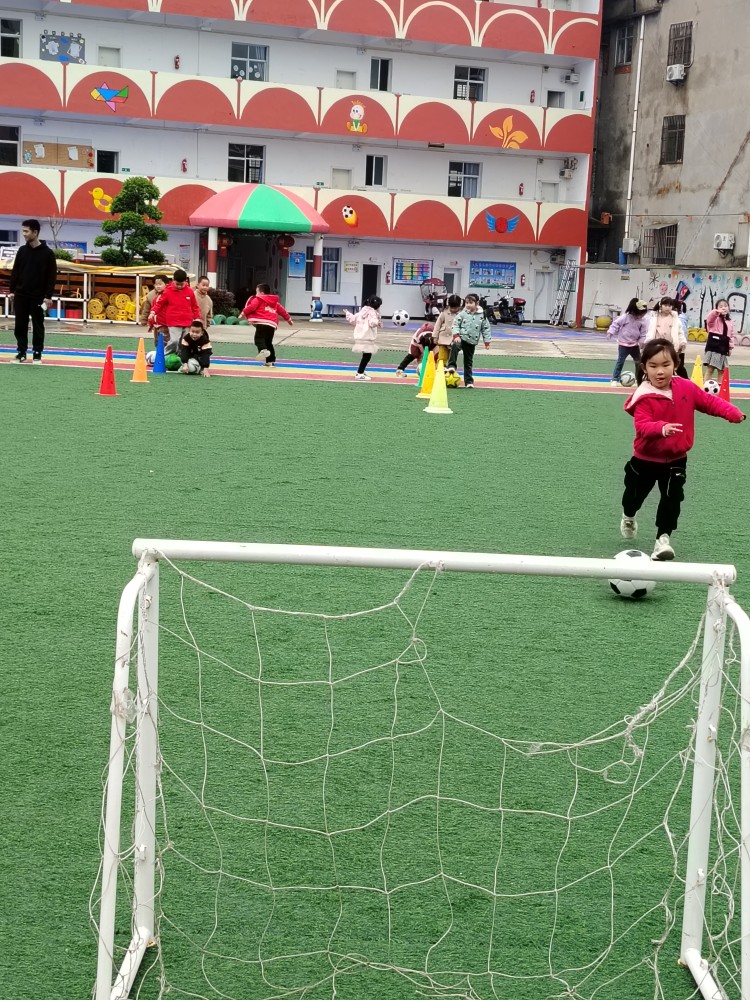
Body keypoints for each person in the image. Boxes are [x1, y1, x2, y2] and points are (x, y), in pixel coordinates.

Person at [620, 338, 745, 561]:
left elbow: (709, 402)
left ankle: (662, 540)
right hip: (645, 459)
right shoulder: (643, 396)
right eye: (653, 366)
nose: (660, 371)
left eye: (665, 365)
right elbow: (642, 425)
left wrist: (732, 413)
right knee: (633, 497)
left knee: (672, 499)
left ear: (675, 365)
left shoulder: (686, 387)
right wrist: (661, 428)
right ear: (644, 368)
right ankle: (629, 516)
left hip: (676, 459)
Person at [9, 218, 57, 363]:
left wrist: (48, 296)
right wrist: (12, 290)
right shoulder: (22, 251)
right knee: (20, 325)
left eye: (26, 231)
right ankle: (21, 352)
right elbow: (15, 271)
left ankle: (37, 352)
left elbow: (51, 276)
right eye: (23, 231)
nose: (24, 234)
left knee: (38, 325)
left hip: (38, 296)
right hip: (21, 295)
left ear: (35, 232)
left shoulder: (48, 254)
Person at [241, 283, 293, 366]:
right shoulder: (275, 302)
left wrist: (243, 313)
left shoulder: (258, 299)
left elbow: (252, 307)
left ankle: (263, 350)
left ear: (261, 293)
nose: (256, 294)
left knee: (259, 338)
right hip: (272, 325)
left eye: (257, 292)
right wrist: (289, 319)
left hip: (262, 322)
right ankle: (270, 361)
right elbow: (282, 311)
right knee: (268, 342)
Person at [446, 293, 492, 388]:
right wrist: (456, 335)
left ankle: (469, 381)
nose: (468, 305)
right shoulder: (462, 314)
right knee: (455, 346)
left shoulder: (482, 315)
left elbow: (486, 328)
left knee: (468, 361)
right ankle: (451, 366)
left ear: (477, 303)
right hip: (461, 338)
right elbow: (455, 324)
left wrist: (487, 342)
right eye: (466, 303)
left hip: (472, 341)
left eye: (470, 303)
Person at [152, 268, 200, 354]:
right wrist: (153, 312)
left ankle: (181, 356)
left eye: (182, 284)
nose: (179, 286)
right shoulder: (168, 291)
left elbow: (194, 306)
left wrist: (197, 318)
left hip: (187, 321)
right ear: (173, 280)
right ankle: (164, 354)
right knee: (174, 340)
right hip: (173, 321)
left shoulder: (189, 291)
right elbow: (159, 304)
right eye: (177, 284)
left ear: (185, 281)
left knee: (184, 342)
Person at [607, 298, 648, 386]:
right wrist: (611, 332)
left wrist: (642, 342)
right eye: (640, 313)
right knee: (620, 361)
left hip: (634, 345)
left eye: (643, 313)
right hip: (623, 344)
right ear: (635, 311)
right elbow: (616, 324)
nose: (641, 315)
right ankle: (614, 379)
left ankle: (639, 378)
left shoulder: (643, 320)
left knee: (638, 362)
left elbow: (643, 333)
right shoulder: (625, 317)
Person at [644, 297, 687, 380]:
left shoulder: (675, 318)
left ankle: (684, 383)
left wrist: (682, 342)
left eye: (670, 306)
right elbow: (649, 331)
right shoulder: (654, 317)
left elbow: (680, 332)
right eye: (666, 305)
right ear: (661, 305)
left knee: (676, 366)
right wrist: (648, 342)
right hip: (656, 346)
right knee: (653, 364)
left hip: (671, 346)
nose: (668, 308)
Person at [345, 296, 382, 380]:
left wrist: (347, 313)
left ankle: (361, 370)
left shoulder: (363, 311)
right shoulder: (372, 312)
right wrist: (377, 322)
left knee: (366, 355)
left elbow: (353, 319)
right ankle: (360, 373)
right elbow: (372, 322)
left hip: (360, 336)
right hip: (367, 337)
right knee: (367, 355)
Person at [704, 299, 735, 382]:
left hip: (723, 349)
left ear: (728, 308)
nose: (723, 308)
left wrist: (730, 348)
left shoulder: (729, 322)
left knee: (722, 371)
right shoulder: (715, 319)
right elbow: (709, 319)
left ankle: (720, 386)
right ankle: (705, 386)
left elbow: (731, 335)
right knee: (710, 369)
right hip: (714, 348)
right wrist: (716, 312)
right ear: (717, 308)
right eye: (720, 306)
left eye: (725, 306)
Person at [432, 294, 463, 365]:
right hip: (443, 338)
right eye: (452, 307)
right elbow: (437, 325)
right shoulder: (444, 312)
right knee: (442, 358)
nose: (453, 309)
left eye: (455, 308)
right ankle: (440, 368)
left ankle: (449, 369)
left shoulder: (461, 314)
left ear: (459, 306)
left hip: (454, 340)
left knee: (452, 358)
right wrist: (435, 336)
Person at [139, 273, 169, 345]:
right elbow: (146, 309)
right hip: (156, 323)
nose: (158, 286)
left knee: (165, 341)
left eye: (160, 284)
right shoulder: (150, 295)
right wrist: (144, 320)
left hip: (166, 323)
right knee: (157, 341)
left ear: (166, 284)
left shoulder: (169, 294)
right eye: (156, 284)